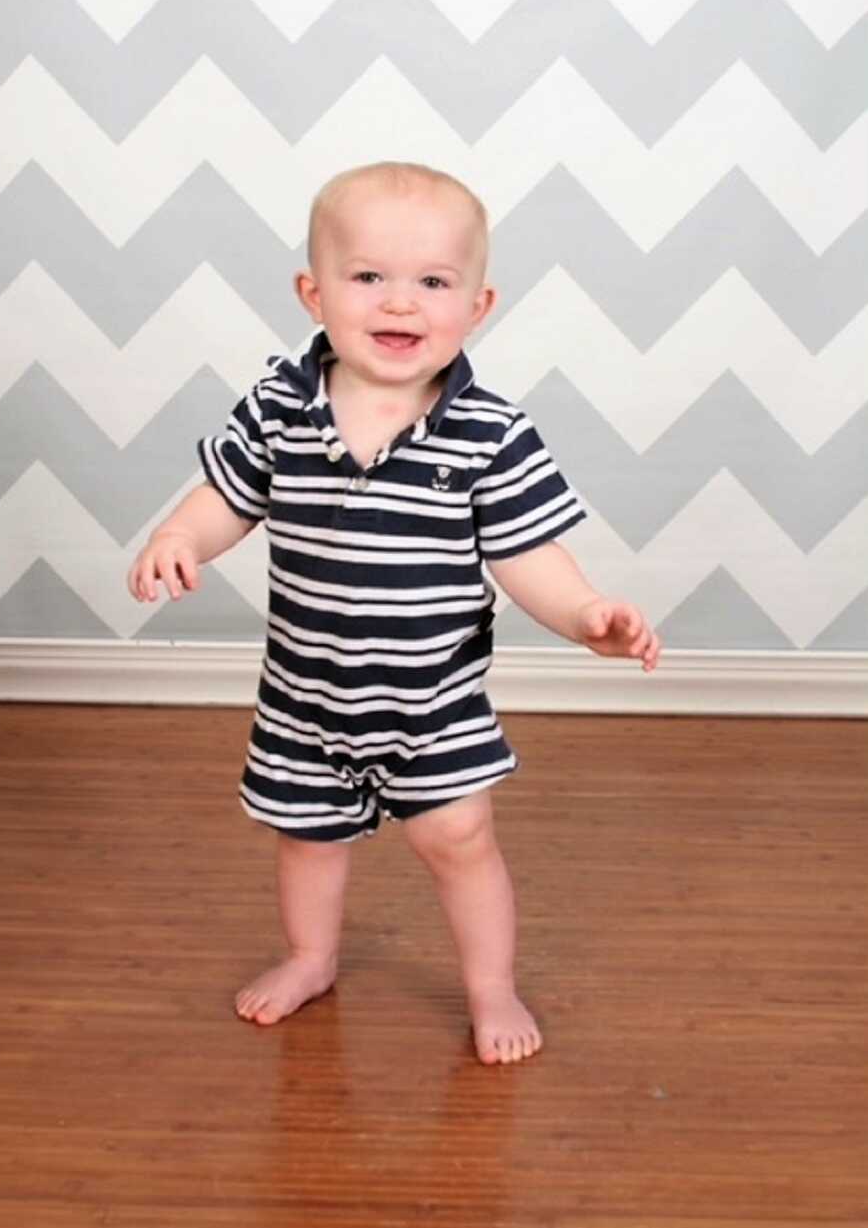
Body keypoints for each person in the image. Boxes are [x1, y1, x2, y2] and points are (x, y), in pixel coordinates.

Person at [127, 161, 661, 1065]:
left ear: (478, 305)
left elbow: (528, 555)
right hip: (305, 696)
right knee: (307, 841)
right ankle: (311, 956)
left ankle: (491, 987)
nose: (400, 304)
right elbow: (227, 497)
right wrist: (178, 534)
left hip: (433, 702)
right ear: (314, 291)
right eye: (369, 277)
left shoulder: (489, 431)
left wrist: (584, 614)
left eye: (433, 283)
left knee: (459, 839)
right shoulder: (281, 406)